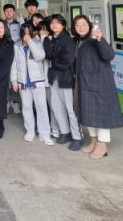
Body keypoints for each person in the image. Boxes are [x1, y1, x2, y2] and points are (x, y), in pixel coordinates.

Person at [72, 15, 123, 159]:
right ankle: (94, 141)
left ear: (89, 26)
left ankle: (102, 145)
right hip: (84, 83)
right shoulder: (78, 41)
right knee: (88, 114)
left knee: (101, 116)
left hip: (99, 84)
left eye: (84, 24)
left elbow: (109, 55)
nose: (81, 27)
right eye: (77, 25)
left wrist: (100, 39)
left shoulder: (95, 38)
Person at [43, 14, 82, 151]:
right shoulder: (50, 39)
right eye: (52, 23)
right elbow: (48, 55)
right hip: (54, 78)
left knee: (71, 109)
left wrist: (53, 63)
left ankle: (77, 137)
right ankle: (65, 132)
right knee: (56, 106)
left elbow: (67, 60)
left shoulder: (68, 40)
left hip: (66, 78)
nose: (54, 25)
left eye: (57, 23)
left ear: (63, 25)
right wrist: (47, 41)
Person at [11, 24, 53, 146]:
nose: (26, 34)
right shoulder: (17, 45)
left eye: (28, 31)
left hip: (37, 81)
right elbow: (14, 64)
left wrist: (30, 42)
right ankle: (30, 131)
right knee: (26, 107)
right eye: (24, 32)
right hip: (23, 82)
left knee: (41, 107)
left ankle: (45, 134)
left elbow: (40, 56)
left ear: (32, 32)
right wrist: (14, 80)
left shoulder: (37, 43)